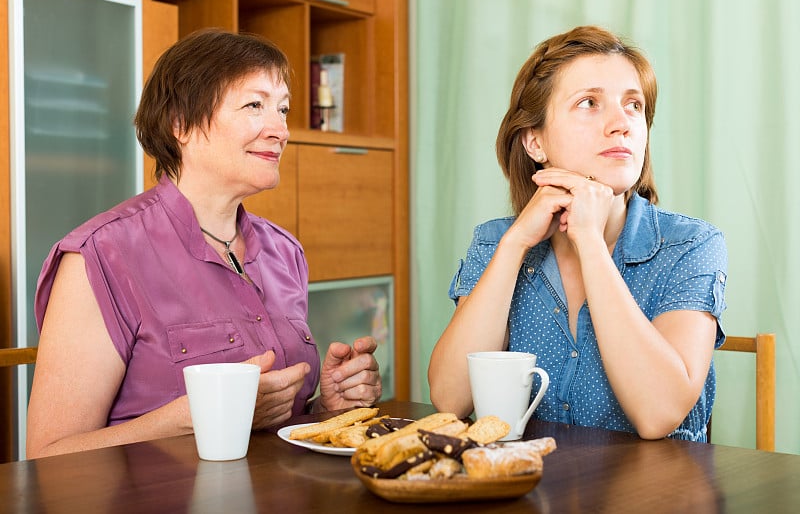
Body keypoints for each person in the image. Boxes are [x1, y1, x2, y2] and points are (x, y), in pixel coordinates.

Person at [27, 28, 382, 458]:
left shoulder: (285, 251)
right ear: (181, 124)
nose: (281, 130)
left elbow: (273, 426)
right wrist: (199, 415)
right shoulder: (100, 256)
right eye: (255, 105)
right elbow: (49, 455)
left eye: (283, 109)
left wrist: (326, 407)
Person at [428, 25, 727, 442]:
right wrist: (515, 244)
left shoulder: (690, 245)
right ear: (535, 141)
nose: (621, 124)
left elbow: (659, 414)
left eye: (634, 106)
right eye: (589, 103)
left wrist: (589, 242)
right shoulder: (495, 242)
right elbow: (450, 397)